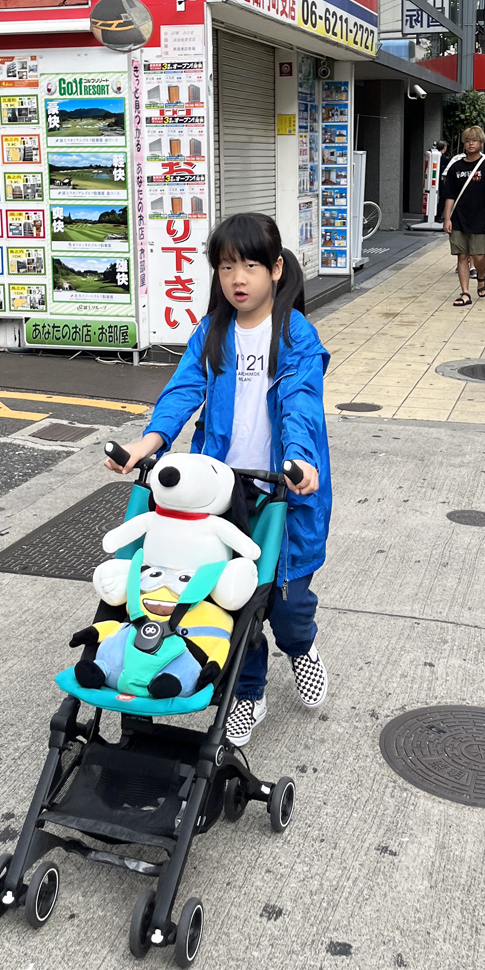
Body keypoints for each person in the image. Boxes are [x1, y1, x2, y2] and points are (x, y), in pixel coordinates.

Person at [106, 212, 331, 745]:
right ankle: (247, 693)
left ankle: (300, 647)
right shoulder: (212, 331)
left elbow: (301, 402)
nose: (238, 279)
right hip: (220, 493)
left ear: (276, 269)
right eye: (227, 267)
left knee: (288, 602)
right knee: (228, 602)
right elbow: (183, 391)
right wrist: (147, 445)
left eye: (250, 265)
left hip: (283, 491)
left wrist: (301, 461)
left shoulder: (295, 334)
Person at [440, 126, 485, 306]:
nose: (471, 144)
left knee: (478, 255)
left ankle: (481, 276)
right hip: (458, 217)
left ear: (481, 143)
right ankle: (465, 292)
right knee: (461, 256)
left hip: (480, 217)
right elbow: (450, 195)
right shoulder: (456, 167)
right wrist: (447, 218)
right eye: (467, 141)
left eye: (474, 140)